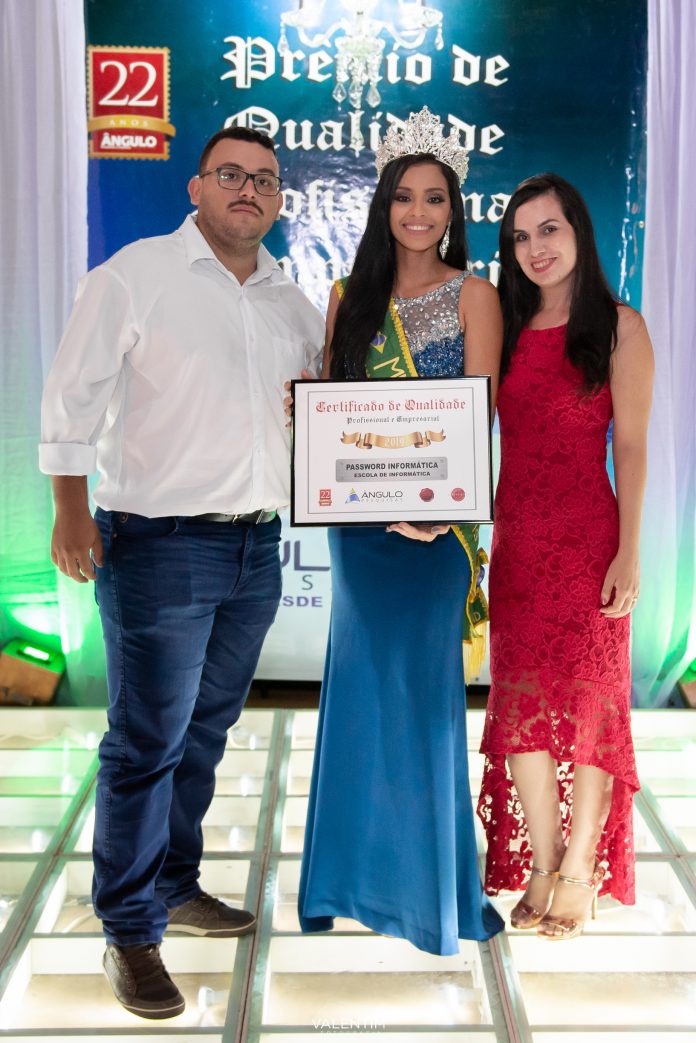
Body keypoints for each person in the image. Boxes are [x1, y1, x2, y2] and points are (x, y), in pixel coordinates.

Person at [39, 126, 324, 1018]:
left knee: (203, 732)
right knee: (146, 741)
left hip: (255, 547)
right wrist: (70, 507)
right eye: (230, 174)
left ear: (279, 200)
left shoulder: (290, 301)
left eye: (265, 180)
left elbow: (323, 409)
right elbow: (72, 394)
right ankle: (129, 929)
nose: (249, 190)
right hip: (158, 545)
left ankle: (173, 881)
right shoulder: (136, 275)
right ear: (196, 187)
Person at [297, 108, 505, 955]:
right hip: (361, 534)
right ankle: (347, 881)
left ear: (453, 210)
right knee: (359, 695)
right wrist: (305, 412)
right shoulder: (347, 299)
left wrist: (440, 508)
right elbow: (334, 408)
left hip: (433, 534)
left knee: (423, 707)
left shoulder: (476, 294)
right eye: (404, 197)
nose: (418, 212)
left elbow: (478, 414)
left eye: (434, 198)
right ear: (383, 205)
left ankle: (432, 896)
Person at [477, 173, 654, 940]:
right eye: (520, 236)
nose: (535, 247)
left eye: (549, 229)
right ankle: (544, 864)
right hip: (517, 543)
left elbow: (634, 446)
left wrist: (631, 552)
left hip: (589, 544)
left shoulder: (620, 326)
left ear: (578, 230)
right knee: (519, 709)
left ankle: (581, 869)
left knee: (589, 707)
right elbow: (456, 424)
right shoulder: (505, 327)